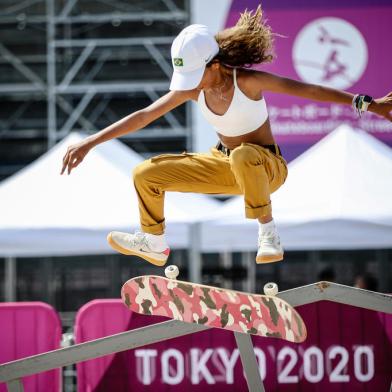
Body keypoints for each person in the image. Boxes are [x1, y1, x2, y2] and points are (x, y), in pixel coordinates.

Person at [61, 6, 392, 267]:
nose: (190, 83)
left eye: (195, 74)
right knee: (145, 173)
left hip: (267, 168)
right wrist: (91, 143)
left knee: (243, 155)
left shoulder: (248, 82)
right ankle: (155, 242)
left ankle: (268, 232)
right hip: (225, 164)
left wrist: (367, 103)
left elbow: (309, 89)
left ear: (214, 65)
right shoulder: (192, 90)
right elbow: (144, 115)